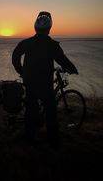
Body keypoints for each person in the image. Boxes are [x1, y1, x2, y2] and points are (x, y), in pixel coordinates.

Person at [12, 11, 78, 149]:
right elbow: (63, 60)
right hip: (44, 83)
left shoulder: (26, 43)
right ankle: (53, 142)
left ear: (35, 28)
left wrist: (21, 71)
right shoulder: (52, 45)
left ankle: (29, 137)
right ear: (49, 28)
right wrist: (72, 69)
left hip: (29, 81)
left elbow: (15, 56)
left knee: (31, 109)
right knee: (50, 111)